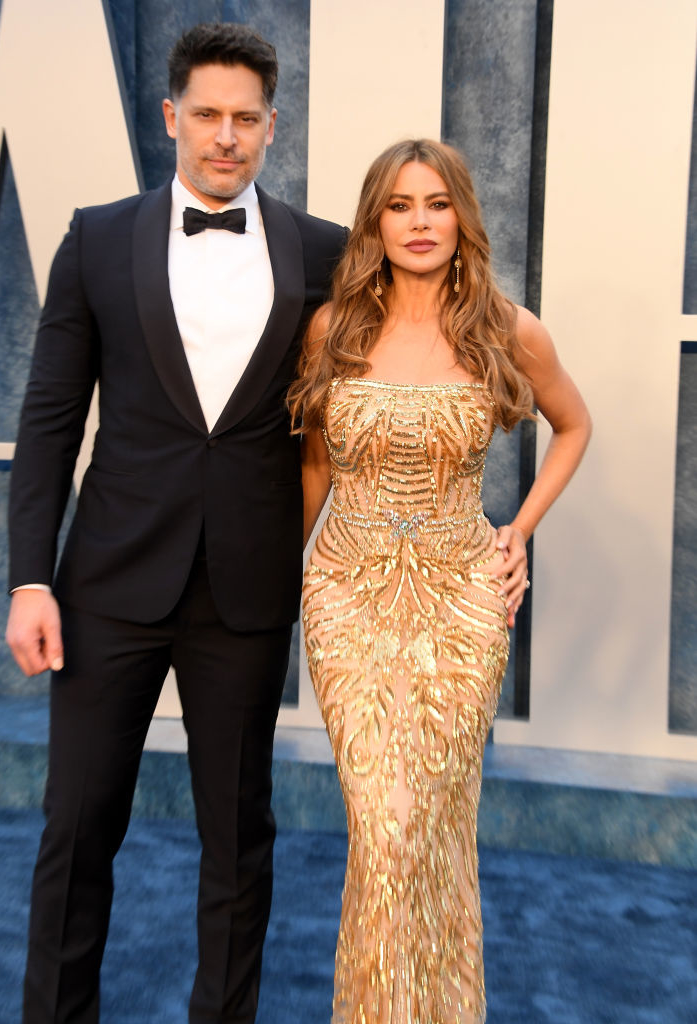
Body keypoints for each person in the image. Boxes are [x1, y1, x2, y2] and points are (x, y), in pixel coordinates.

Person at [5, 22, 346, 1024]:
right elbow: (49, 422)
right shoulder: (97, 238)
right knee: (77, 828)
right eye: (207, 114)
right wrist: (30, 577)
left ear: (273, 126)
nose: (225, 135)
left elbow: (381, 393)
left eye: (246, 117)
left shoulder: (325, 252)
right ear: (170, 117)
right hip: (107, 585)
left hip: (247, 590)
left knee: (239, 837)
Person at [288, 139, 591, 1023]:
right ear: (373, 223)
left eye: (435, 203)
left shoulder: (507, 328)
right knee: (382, 827)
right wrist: (274, 585)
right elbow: (315, 467)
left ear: (461, 216)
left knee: (429, 822)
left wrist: (519, 530)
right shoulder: (333, 327)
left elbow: (573, 425)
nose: (418, 222)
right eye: (398, 205)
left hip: (461, 603)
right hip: (345, 598)